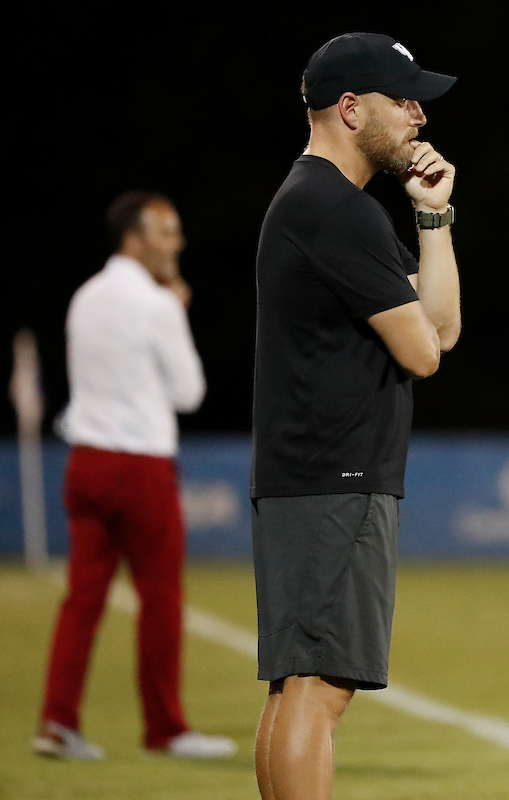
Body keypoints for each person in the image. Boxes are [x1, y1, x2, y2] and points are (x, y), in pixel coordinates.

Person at [249, 32, 461, 800]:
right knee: (320, 686)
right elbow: (424, 355)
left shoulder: (318, 202)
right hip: (337, 477)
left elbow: (441, 327)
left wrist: (432, 218)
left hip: (308, 474)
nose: (417, 116)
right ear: (349, 108)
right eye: (402, 101)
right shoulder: (335, 209)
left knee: (296, 683)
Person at [33, 192, 237, 760]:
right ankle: (165, 728)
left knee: (82, 599)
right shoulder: (156, 303)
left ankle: (56, 721)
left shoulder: (85, 297)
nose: (177, 243)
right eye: (167, 232)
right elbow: (189, 393)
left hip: (85, 462)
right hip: (139, 464)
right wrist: (177, 311)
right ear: (135, 236)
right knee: (162, 598)